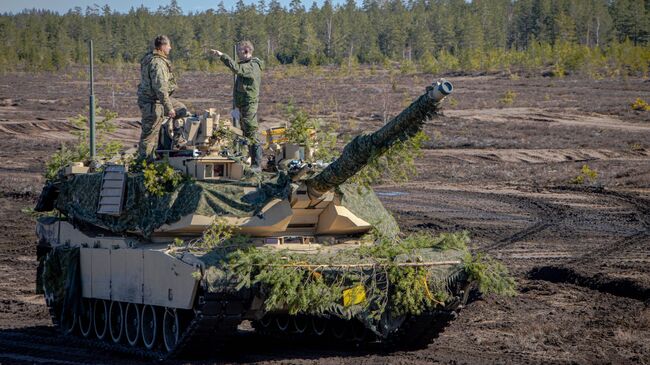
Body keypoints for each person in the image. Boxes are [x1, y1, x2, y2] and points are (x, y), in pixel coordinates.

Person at [210, 41, 265, 168]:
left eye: (239, 51)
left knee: (251, 132)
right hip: (242, 105)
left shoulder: (252, 66)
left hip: (249, 104)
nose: (238, 54)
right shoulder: (247, 65)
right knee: (246, 133)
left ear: (246, 51)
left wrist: (222, 55)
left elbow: (237, 69)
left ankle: (257, 165)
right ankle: (250, 161)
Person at [137, 35, 187, 161]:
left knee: (181, 110)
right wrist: (168, 107)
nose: (170, 48)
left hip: (158, 100)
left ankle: (177, 142)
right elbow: (160, 88)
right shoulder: (157, 63)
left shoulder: (150, 59)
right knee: (149, 134)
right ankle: (144, 163)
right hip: (152, 102)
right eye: (169, 46)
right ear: (163, 46)